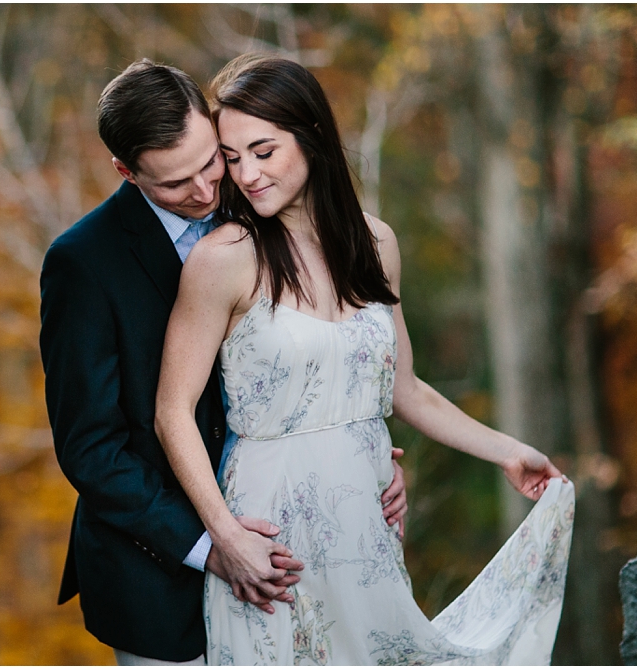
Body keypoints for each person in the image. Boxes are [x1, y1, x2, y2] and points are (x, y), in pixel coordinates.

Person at [154, 54, 576, 665]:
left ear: (314, 136)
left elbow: (405, 389)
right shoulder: (224, 258)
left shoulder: (376, 244)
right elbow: (173, 411)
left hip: (367, 525)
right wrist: (226, 537)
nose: (246, 174)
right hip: (272, 542)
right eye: (233, 156)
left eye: (264, 151)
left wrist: (508, 450)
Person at [39, 59, 408, 666]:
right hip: (159, 578)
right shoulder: (83, 263)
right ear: (125, 172)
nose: (206, 191)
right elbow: (91, 449)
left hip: (294, 558)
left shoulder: (258, 205)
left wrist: (358, 452)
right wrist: (211, 544)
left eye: (212, 161)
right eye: (174, 184)